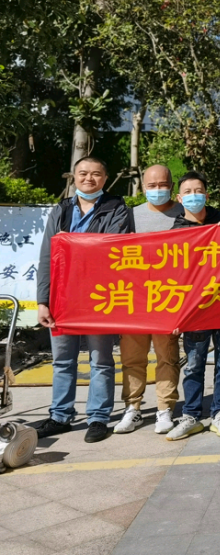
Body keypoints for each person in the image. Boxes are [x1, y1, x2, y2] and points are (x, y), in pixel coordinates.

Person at [33, 157, 135, 443]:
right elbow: (47, 257)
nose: (89, 178)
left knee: (101, 360)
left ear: (105, 178)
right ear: (73, 176)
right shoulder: (62, 210)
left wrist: (70, 242)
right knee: (62, 360)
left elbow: (111, 248)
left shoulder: (117, 209)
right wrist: (43, 300)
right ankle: (60, 416)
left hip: (99, 296)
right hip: (62, 296)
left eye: (96, 174)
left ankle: (98, 418)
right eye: (83, 173)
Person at [163, 172, 220, 440]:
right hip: (194, 311)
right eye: (188, 192)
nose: (194, 196)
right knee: (194, 365)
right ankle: (191, 416)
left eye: (199, 191)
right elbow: (171, 277)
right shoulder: (176, 232)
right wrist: (175, 315)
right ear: (179, 198)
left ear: (207, 195)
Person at [115, 165, 185, 436]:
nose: (158, 190)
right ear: (143, 187)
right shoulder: (130, 216)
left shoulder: (184, 214)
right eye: (152, 185)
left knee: (167, 357)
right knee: (132, 357)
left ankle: (165, 409)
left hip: (169, 298)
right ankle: (132, 408)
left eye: (163, 185)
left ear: (172, 186)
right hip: (134, 298)